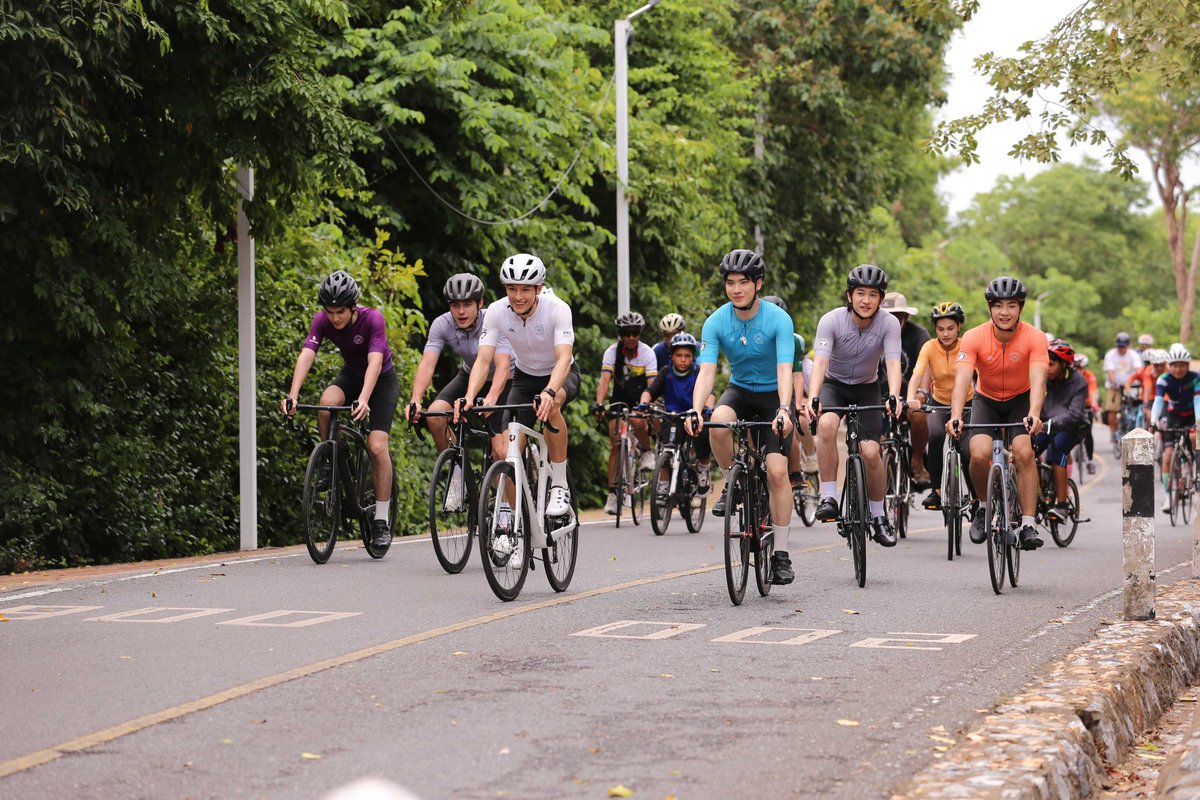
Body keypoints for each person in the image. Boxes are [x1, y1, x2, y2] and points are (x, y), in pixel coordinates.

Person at [686, 249, 797, 585]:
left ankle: (780, 554)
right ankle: (732, 480)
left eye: (743, 283)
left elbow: (784, 369)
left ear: (758, 284)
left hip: (771, 398)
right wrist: (695, 409)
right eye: (730, 283)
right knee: (717, 422)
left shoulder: (778, 320)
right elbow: (706, 372)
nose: (736, 289)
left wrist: (784, 409)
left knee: (778, 472)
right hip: (738, 390)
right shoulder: (716, 321)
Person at [457, 253, 580, 521]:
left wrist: (549, 391)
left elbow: (563, 358)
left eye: (525, 289)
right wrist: (469, 396)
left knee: (553, 404)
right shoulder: (498, 312)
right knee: (504, 451)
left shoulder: (558, 309)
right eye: (512, 288)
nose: (518, 296)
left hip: (560, 374)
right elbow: (484, 359)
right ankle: (510, 518)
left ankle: (559, 485)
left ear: (538, 289)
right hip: (524, 378)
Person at [282, 270, 399, 548]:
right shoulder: (322, 321)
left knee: (377, 447)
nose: (335, 318)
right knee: (327, 404)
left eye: (341, 312)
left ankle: (381, 521)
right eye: (330, 311)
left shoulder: (373, 319)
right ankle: (332, 458)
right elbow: (307, 355)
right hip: (351, 374)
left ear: (353, 306)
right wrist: (292, 395)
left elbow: (374, 363)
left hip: (381, 381)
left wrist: (364, 398)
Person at [805, 264, 903, 547]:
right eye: (860, 293)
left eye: (873, 295)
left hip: (867, 388)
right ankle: (829, 496)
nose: (866, 300)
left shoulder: (889, 323)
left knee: (871, 452)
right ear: (849, 295)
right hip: (834, 385)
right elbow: (821, 361)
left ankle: (877, 515)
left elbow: (893, 362)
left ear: (881, 299)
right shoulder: (831, 320)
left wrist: (894, 394)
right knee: (826, 425)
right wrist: (814, 395)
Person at [948, 276, 1048, 551]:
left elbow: (1039, 379)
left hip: (1021, 400)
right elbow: (962, 379)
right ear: (989, 308)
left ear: (1021, 308)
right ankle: (982, 506)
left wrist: (1035, 413)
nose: (1005, 312)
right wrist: (956, 414)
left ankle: (1028, 523)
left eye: (1012, 306)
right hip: (986, 400)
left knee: (1024, 452)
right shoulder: (973, 337)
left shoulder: (1035, 337)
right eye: (998, 306)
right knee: (978, 453)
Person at [405, 274, 512, 508]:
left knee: (499, 450)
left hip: (506, 379)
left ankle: (504, 510)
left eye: (467, 305)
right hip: (469, 375)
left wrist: (490, 399)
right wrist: (415, 399)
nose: (461, 311)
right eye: (455, 305)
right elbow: (427, 364)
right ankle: (458, 474)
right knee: (434, 416)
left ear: (480, 304)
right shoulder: (442, 324)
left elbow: (502, 367)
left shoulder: (493, 320)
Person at [906, 302, 972, 510]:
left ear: (959, 327)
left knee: (968, 449)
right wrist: (911, 397)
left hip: (967, 404)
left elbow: (982, 374)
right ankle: (936, 491)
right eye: (940, 329)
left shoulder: (967, 345)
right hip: (940, 402)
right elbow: (917, 373)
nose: (945, 334)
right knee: (934, 437)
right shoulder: (929, 347)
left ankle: (977, 497)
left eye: (950, 328)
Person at [593, 312, 659, 515]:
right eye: (627, 333)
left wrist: (647, 406)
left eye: (635, 333)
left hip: (640, 399)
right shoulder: (612, 352)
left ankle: (647, 451)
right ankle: (612, 494)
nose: (631, 337)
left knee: (638, 423)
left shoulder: (647, 353)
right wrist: (598, 403)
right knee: (615, 443)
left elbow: (652, 385)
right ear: (620, 334)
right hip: (619, 400)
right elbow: (604, 381)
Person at [639, 332, 714, 498]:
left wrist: (708, 408)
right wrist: (644, 403)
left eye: (687, 356)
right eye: (678, 355)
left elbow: (709, 393)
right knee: (666, 448)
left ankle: (703, 469)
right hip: (672, 416)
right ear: (671, 356)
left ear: (693, 357)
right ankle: (663, 487)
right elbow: (650, 391)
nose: (683, 359)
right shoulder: (666, 372)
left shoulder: (698, 373)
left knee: (703, 437)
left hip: (694, 416)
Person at [762, 295, 818, 485]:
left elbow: (796, 374)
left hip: (786, 388)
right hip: (764, 389)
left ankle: (797, 469)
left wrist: (797, 402)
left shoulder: (794, 341)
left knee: (794, 424)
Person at [881, 291, 932, 487]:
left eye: (897, 316)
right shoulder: (872, 333)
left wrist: (922, 392)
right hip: (879, 398)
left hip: (909, 396)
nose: (892, 321)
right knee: (873, 444)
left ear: (905, 316)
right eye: (888, 316)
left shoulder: (919, 335)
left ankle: (917, 460)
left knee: (918, 414)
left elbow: (926, 367)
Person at [1036, 339, 1089, 523]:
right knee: (1028, 449)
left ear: (1064, 364)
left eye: (1052, 364)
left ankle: (1061, 505)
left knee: (1057, 448)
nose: (1047, 368)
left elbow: (1075, 414)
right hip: (1046, 425)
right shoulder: (1042, 378)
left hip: (1073, 427)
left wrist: (1051, 422)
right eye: (1046, 363)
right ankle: (1038, 494)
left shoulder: (1078, 382)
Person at [1151, 344, 1200, 513]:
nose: (1178, 369)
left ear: (1187, 366)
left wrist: (1198, 421)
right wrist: (1152, 421)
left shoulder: (1195, 377)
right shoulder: (1163, 379)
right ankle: (1168, 496)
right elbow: (1158, 401)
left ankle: (1194, 473)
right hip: (1174, 417)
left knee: (1194, 439)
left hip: (1192, 416)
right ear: (1169, 366)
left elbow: (1197, 401)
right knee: (1167, 456)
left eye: (1182, 365)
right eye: (1175, 365)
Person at [1103, 332, 1144, 440]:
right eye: (1119, 346)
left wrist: (1140, 380)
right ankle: (1113, 432)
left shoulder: (1133, 355)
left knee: (1135, 405)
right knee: (1112, 409)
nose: (1121, 349)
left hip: (1131, 386)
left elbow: (1138, 370)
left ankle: (1132, 427)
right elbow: (1110, 372)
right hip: (1115, 386)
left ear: (1128, 345)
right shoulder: (1110, 354)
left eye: (1123, 346)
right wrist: (1115, 383)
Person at [1075, 353, 1100, 474]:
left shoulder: (1089, 376)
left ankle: (1090, 460)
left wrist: (1094, 404)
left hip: (1087, 406)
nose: (1078, 370)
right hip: (1073, 407)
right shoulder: (1070, 376)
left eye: (1081, 368)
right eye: (1076, 367)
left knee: (1088, 432)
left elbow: (1093, 391)